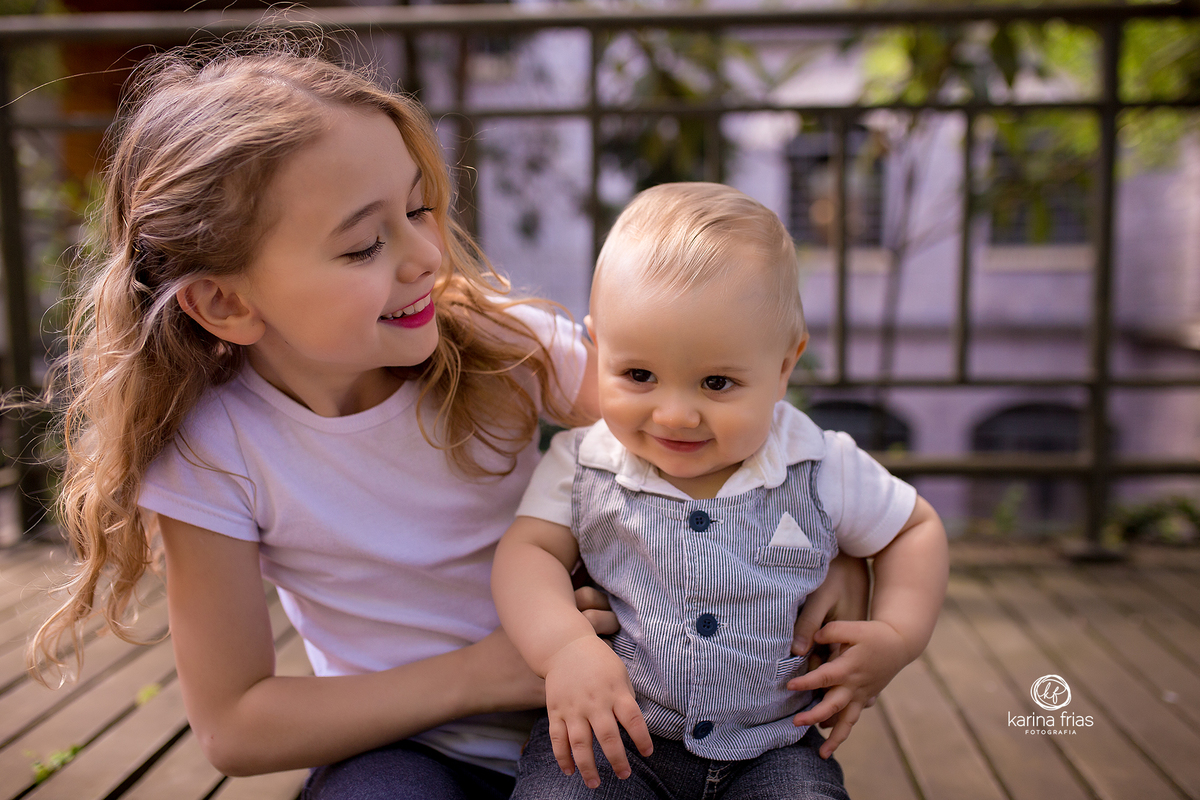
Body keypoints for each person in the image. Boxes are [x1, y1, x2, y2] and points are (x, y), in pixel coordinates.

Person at [26, 39, 868, 800]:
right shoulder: (212, 453)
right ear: (225, 300)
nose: (428, 255)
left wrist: (842, 561)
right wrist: (486, 675)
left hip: (637, 727)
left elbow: (718, 430)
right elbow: (236, 724)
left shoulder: (502, 349)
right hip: (408, 744)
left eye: (419, 208)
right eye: (364, 245)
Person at [492, 182, 950, 799]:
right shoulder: (583, 460)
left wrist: (897, 636)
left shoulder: (816, 461)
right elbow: (528, 555)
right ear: (597, 348)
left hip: (772, 747)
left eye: (716, 382)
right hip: (616, 735)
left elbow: (914, 529)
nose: (675, 414)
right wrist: (565, 648)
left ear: (785, 365)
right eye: (639, 375)